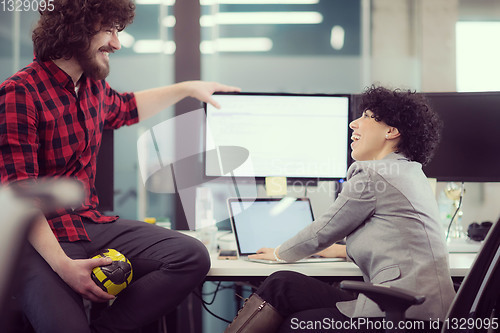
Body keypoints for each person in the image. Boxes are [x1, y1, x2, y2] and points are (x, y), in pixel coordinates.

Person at [0, 0, 240, 332]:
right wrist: (64, 267)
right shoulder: (19, 93)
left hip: (90, 224)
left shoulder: (91, 85)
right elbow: (21, 197)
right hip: (39, 241)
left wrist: (187, 89)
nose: (117, 43)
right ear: (74, 30)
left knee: (190, 256)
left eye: (118, 31)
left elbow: (126, 108)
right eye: (108, 31)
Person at [224, 86, 456, 333]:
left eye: (367, 116)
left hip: (401, 314)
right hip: (420, 310)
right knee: (283, 284)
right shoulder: (409, 171)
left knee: (292, 319)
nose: (354, 124)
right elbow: (394, 242)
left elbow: (322, 230)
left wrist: (279, 253)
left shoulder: (374, 173)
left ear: (391, 131)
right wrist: (333, 251)